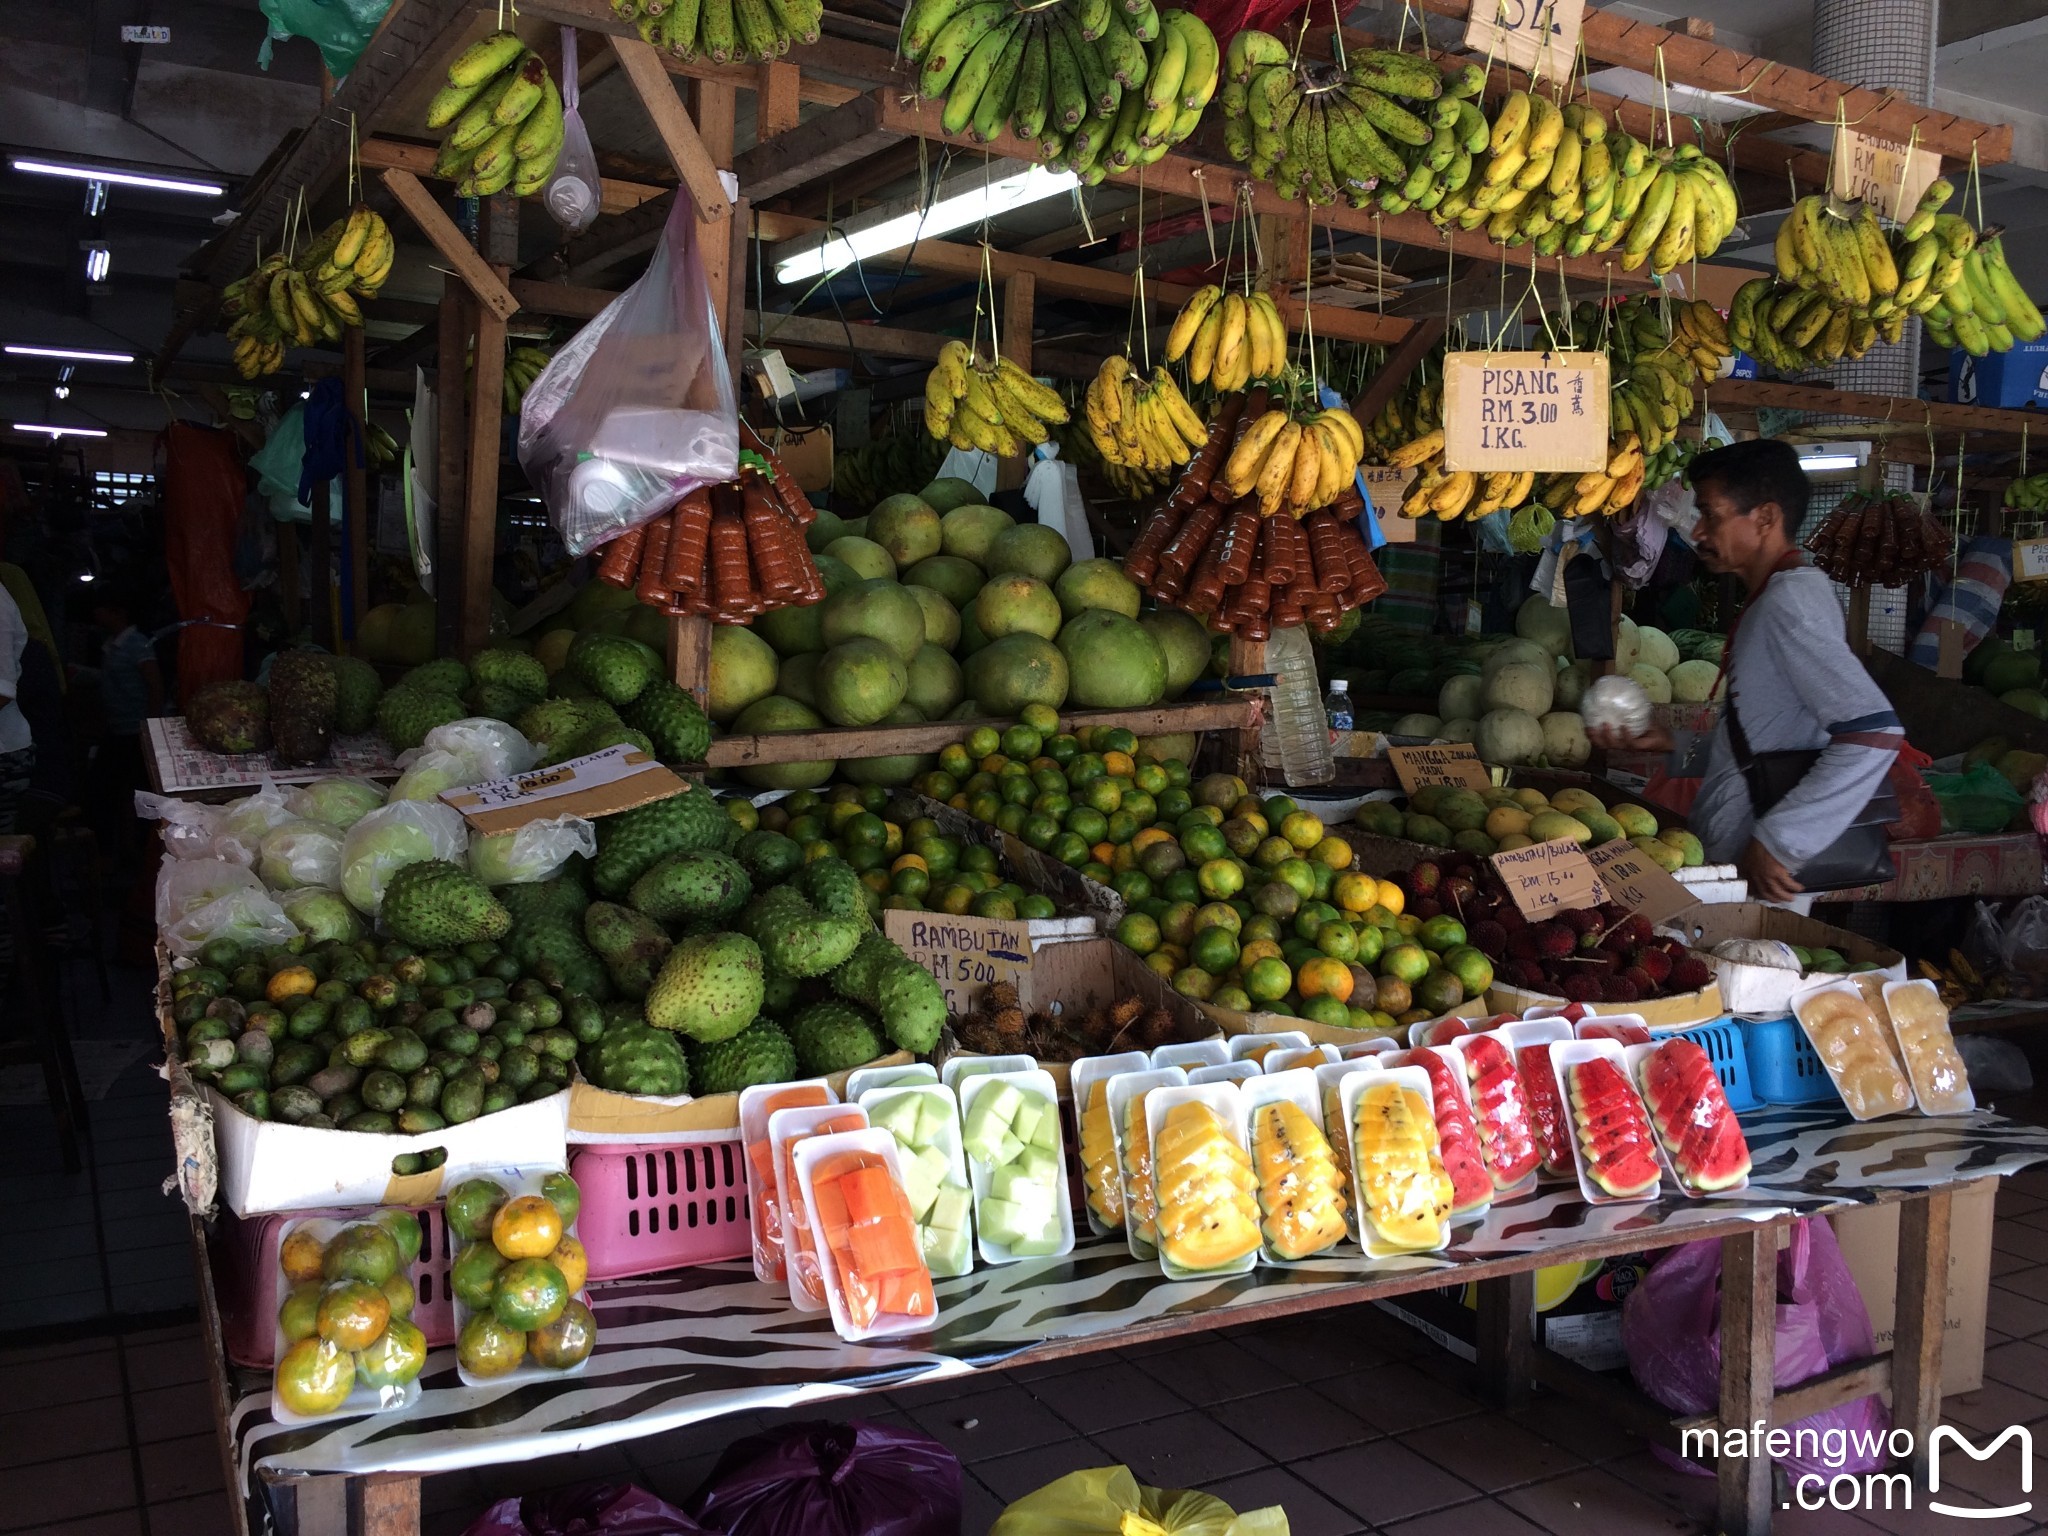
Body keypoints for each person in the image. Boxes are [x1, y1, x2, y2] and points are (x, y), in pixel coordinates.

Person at [1589, 439, 1903, 903]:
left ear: (1766, 518)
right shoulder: (1778, 598)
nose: (1697, 531)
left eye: (1711, 515)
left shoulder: (1788, 604)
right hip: (1735, 867)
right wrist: (1675, 745)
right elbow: (1767, 735)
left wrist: (1781, 841)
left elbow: (1874, 733)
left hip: (1760, 879)